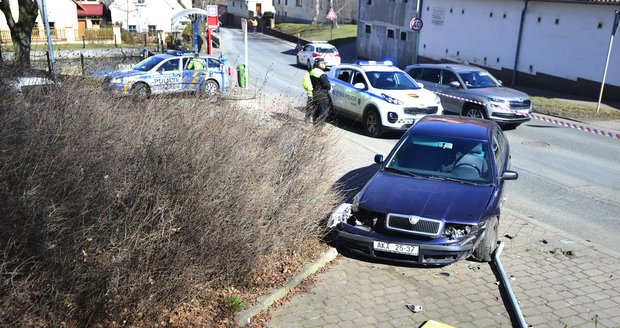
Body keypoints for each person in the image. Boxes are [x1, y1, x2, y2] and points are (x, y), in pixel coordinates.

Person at [308, 57, 331, 124]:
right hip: (322, 95)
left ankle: (315, 127)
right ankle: (318, 129)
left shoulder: (312, 71)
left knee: (316, 112)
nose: (325, 65)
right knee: (323, 113)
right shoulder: (322, 73)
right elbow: (327, 86)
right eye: (323, 63)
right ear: (319, 64)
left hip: (314, 93)